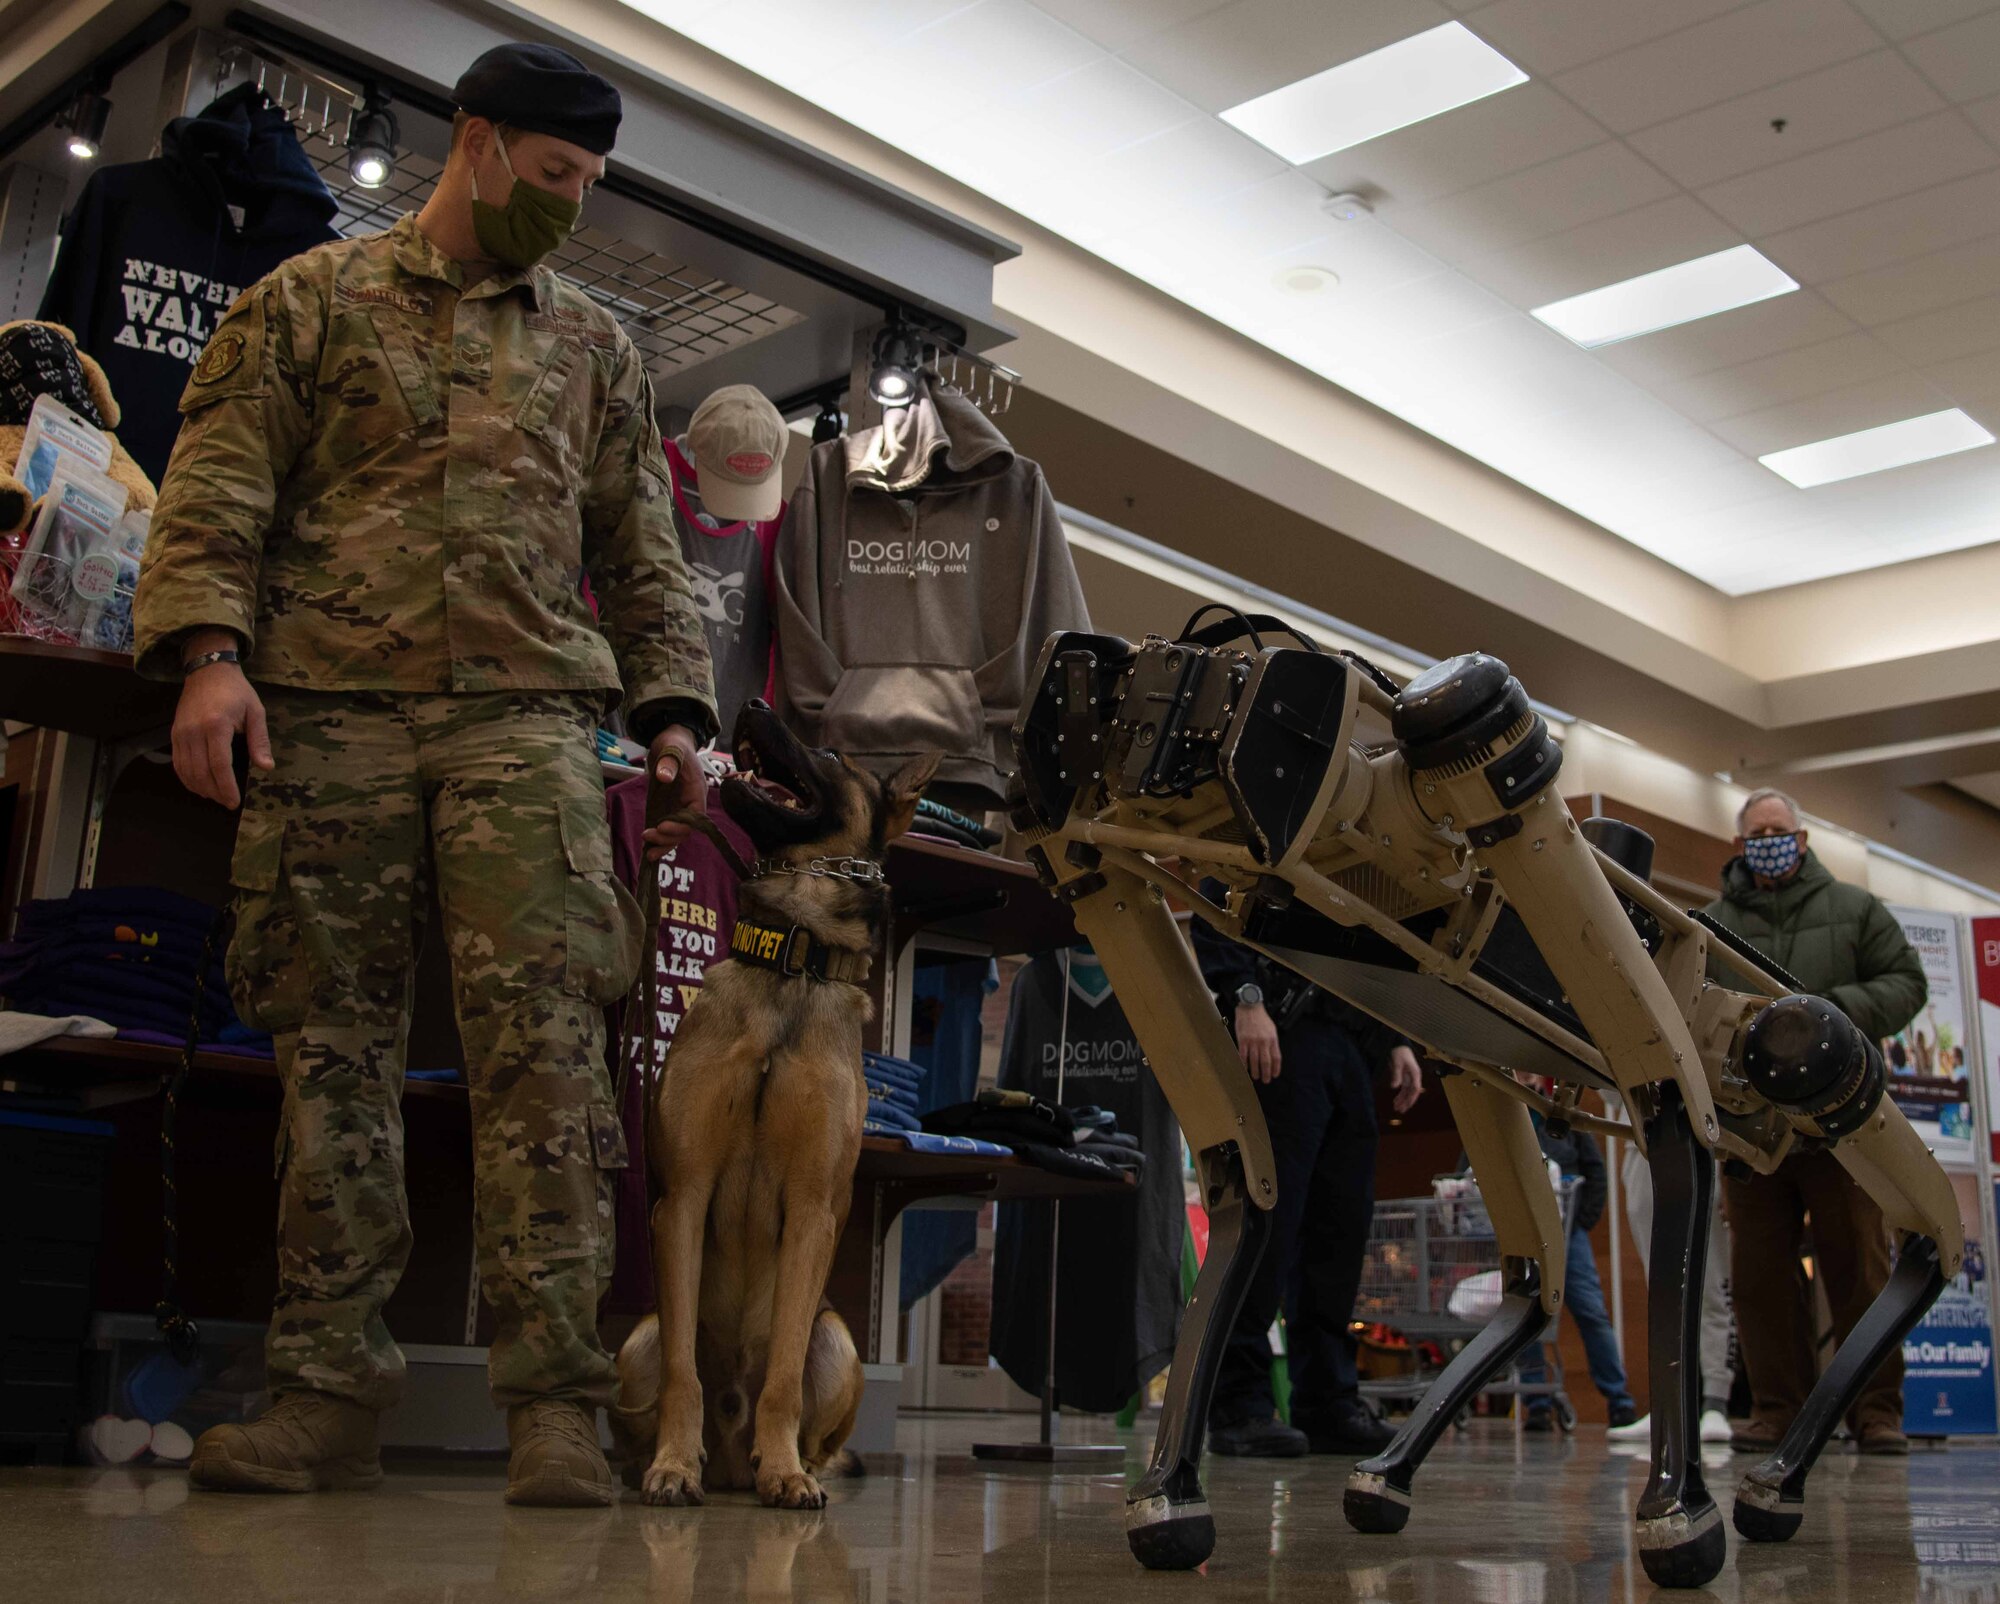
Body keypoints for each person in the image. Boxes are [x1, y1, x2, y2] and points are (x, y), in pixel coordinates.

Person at [132, 43, 717, 1507]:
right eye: (552, 175)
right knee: (331, 1056)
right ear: (473, 143)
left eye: (589, 186)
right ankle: (324, 1396)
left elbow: (641, 547)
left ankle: (558, 1412)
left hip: (524, 725)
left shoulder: (595, 347)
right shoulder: (308, 302)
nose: (569, 208)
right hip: (328, 710)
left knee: (552, 1062)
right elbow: (218, 484)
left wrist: (675, 711)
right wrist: (210, 651)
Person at [1706, 788, 1926, 1456]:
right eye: (1757, 833)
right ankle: (1779, 1412)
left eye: (1780, 830)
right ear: (1742, 845)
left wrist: (1826, 1014)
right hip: (1754, 1128)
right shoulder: (1713, 923)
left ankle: (1876, 1412)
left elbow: (1905, 982)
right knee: (1760, 1278)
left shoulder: (1855, 910)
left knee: (1857, 1267)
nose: (1769, 840)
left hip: (1841, 1121)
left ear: (1801, 840)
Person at [1191, 888, 1423, 1457]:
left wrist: (1393, 1039)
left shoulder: (1355, 846)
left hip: (1350, 1048)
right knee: (1265, 1227)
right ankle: (1238, 1406)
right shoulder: (1272, 812)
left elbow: (1365, 941)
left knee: (1337, 1239)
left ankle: (1326, 1402)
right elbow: (1216, 897)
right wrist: (1245, 999)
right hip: (1283, 1035)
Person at [1605, 1115, 1735, 1446]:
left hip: (1705, 1133)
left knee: (1710, 1281)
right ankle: (1668, 1405)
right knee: (1661, 1290)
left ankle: (1715, 1403)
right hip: (1641, 1138)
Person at [1514, 1099, 1637, 1430]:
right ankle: (1537, 1402)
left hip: (1569, 1231)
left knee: (1590, 1311)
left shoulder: (1562, 1110)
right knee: (1526, 1314)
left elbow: (1595, 1169)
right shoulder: (1505, 1110)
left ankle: (1619, 1400)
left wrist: (1583, 1219)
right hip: (1521, 1230)